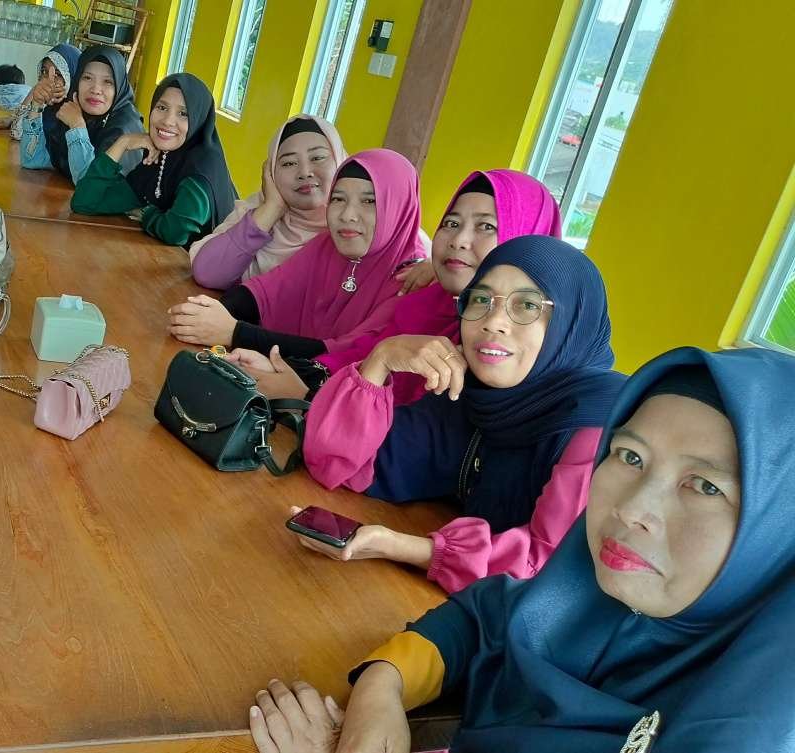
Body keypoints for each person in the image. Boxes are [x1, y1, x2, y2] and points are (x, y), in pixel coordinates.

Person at [249, 347, 795, 753]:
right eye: (630, 456)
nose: (634, 509)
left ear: (777, 526)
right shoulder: (590, 596)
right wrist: (381, 686)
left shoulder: (748, 729)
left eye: (705, 486)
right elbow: (484, 615)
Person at [300, 236, 625, 593]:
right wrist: (381, 360)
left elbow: (550, 568)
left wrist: (403, 548)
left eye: (527, 305)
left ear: (573, 321)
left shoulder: (598, 424)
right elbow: (339, 462)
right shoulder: (474, 391)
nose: (493, 322)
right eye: (482, 299)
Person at [229, 170, 560, 401]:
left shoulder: (511, 348)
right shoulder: (425, 303)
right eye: (451, 222)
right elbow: (360, 356)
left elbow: (412, 436)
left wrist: (306, 394)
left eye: (486, 226)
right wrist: (289, 372)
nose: (459, 239)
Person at [165, 149, 422, 358]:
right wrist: (208, 314)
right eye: (338, 199)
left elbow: (347, 355)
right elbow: (265, 292)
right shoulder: (327, 246)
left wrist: (234, 333)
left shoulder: (413, 280)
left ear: (398, 205)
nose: (347, 215)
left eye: (369, 201)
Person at [71, 72, 237, 247]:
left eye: (183, 113)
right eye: (162, 108)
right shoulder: (158, 159)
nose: (168, 121)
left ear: (198, 120)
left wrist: (147, 214)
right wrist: (123, 143)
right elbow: (84, 203)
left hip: (207, 263)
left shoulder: (201, 171)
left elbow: (175, 233)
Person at [188, 114, 347, 289]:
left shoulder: (355, 230)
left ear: (341, 162)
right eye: (289, 163)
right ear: (271, 173)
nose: (304, 172)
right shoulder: (256, 210)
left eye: (317, 158)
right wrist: (272, 209)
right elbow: (207, 273)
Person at [40, 45, 144, 184]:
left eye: (107, 82)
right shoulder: (75, 110)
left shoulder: (124, 128)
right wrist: (36, 105)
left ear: (119, 87)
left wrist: (77, 126)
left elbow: (89, 185)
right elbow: (36, 160)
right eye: (88, 78)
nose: (95, 89)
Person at [0, 43, 79, 147]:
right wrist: (10, 120)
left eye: (58, 74)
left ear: (73, 78)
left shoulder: (76, 117)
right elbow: (18, 130)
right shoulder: (47, 104)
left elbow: (19, 133)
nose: (48, 79)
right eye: (44, 71)